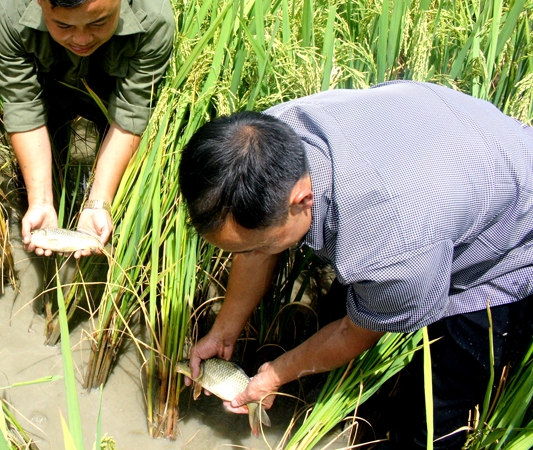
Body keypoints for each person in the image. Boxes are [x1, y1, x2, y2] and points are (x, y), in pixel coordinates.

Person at [177, 81, 533, 448]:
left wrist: (275, 375)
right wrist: (224, 329)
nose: (253, 251)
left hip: (513, 233)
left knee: (435, 414)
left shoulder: (393, 245)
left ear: (302, 200)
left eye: (262, 243)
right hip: (443, 145)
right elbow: (254, 248)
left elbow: (355, 332)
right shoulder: (260, 142)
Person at [0, 0, 174, 258]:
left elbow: (131, 115)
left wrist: (98, 202)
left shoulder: (154, 17)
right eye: (62, 25)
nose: (81, 39)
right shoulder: (11, 8)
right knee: (35, 183)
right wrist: (41, 199)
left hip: (110, 95)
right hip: (50, 92)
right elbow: (22, 105)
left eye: (99, 22)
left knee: (116, 193)